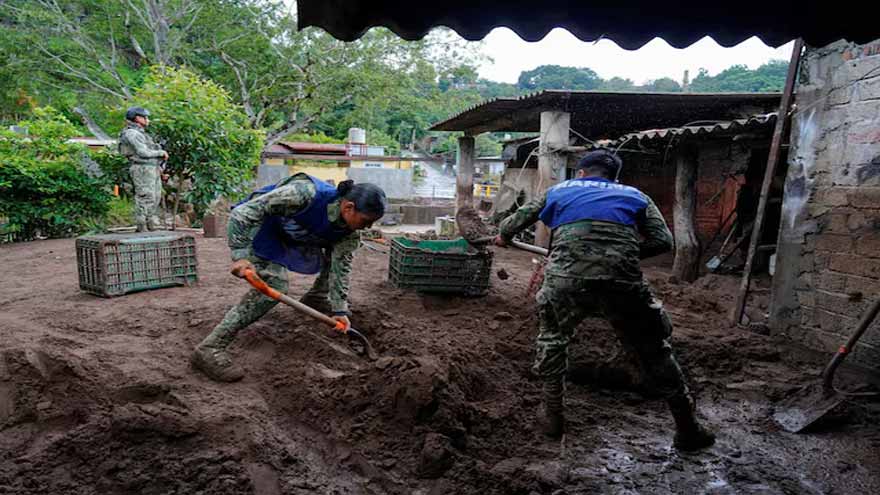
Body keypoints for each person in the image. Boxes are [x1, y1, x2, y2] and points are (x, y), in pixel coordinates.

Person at [494, 150, 715, 451]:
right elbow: (664, 241)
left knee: (554, 339)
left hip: (566, 279)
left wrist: (503, 237)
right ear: (615, 178)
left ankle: (552, 415)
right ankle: (688, 428)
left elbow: (510, 226)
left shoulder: (561, 189)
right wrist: (621, 255)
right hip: (623, 281)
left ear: (582, 173)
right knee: (654, 349)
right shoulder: (635, 195)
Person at [191, 174, 387, 382]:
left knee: (336, 256)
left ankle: (316, 298)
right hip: (263, 227)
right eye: (366, 221)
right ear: (348, 207)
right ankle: (210, 347)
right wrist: (240, 255)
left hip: (294, 233)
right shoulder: (304, 194)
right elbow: (243, 213)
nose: (368, 228)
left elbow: (342, 267)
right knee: (275, 285)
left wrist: (339, 309)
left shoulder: (350, 233)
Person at [118, 106, 168, 232]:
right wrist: (161, 153)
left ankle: (149, 222)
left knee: (155, 196)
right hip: (141, 168)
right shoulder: (132, 133)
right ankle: (142, 225)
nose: (147, 120)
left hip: (151, 168)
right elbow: (142, 152)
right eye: (144, 117)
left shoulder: (141, 133)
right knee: (145, 196)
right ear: (137, 118)